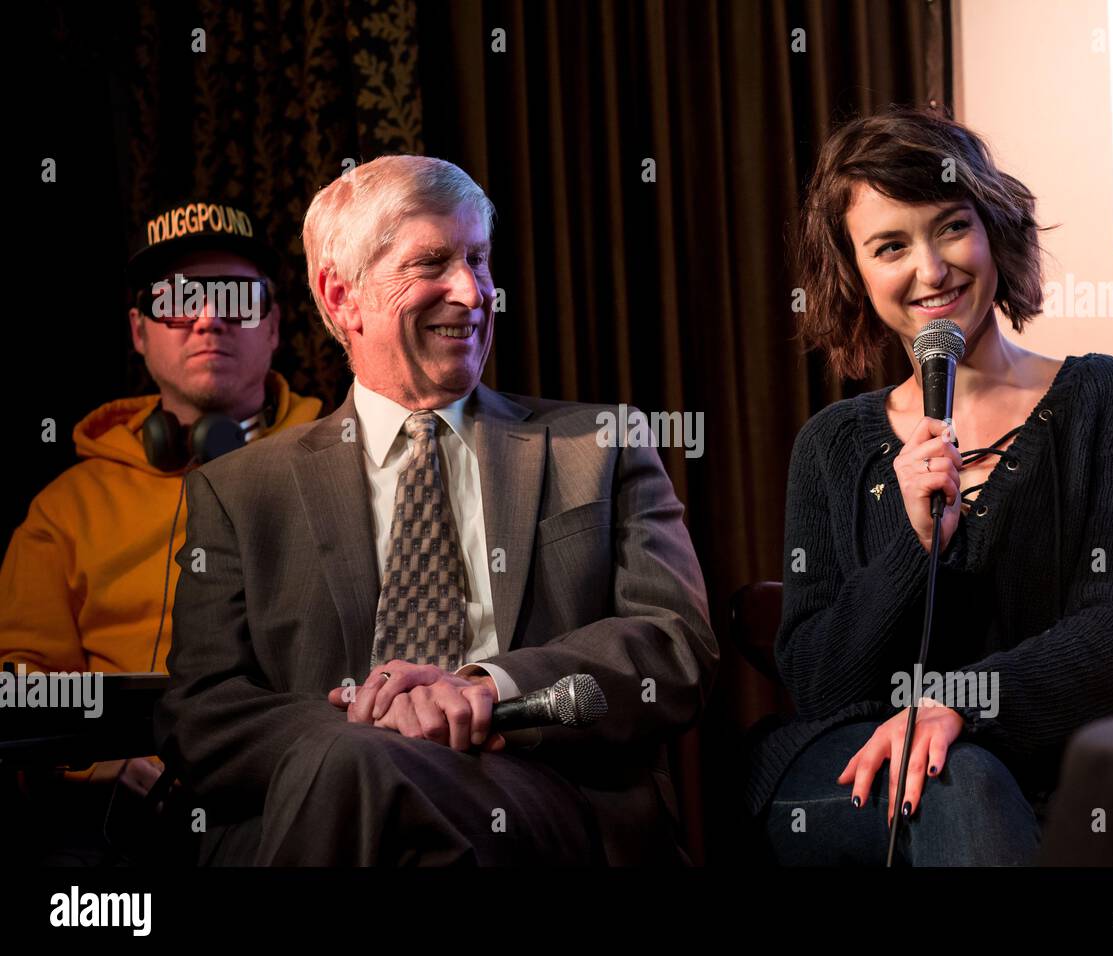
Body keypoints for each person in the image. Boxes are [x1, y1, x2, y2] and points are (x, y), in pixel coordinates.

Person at [154, 156, 718, 866]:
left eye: (478, 260)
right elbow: (201, 711)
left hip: (537, 793)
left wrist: (485, 690)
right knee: (361, 774)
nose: (473, 292)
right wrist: (368, 731)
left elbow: (674, 646)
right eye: (432, 262)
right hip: (321, 797)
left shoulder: (598, 445)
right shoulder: (239, 491)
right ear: (342, 296)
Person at [746, 107, 1113, 866]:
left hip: (1046, 772)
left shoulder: (1108, 401)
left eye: (950, 227)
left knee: (966, 775)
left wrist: (956, 705)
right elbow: (816, 680)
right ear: (854, 272)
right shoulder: (832, 447)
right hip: (846, 772)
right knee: (958, 783)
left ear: (994, 231)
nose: (932, 271)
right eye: (889, 246)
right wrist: (912, 549)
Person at [0, 200, 323, 862]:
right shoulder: (65, 509)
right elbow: (21, 679)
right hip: (119, 811)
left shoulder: (348, 464)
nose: (208, 319)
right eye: (179, 299)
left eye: (234, 297)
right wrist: (94, 770)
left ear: (273, 326)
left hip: (301, 785)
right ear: (139, 332)